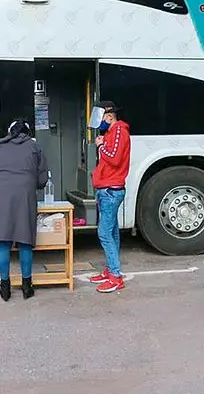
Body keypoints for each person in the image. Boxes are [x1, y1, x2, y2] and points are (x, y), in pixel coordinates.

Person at [0, 118, 50, 301]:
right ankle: (27, 287)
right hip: (25, 198)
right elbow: (42, 180)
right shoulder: (35, 147)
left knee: (3, 242)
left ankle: (5, 287)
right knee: (24, 242)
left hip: (3, 198)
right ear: (27, 132)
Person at [87, 101, 132, 293]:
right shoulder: (112, 132)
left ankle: (115, 276)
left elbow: (114, 158)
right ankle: (110, 270)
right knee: (112, 232)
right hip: (107, 188)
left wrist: (100, 146)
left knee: (104, 233)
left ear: (109, 116)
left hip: (110, 189)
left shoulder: (119, 131)